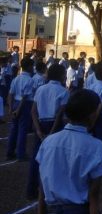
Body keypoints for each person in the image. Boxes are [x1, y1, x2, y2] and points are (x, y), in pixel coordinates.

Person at [35, 89, 102, 214]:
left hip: (53, 213)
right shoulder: (96, 146)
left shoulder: (48, 142)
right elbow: (94, 193)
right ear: (90, 115)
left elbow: (42, 185)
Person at [27, 63, 70, 200]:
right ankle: (51, 189)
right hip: (54, 125)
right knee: (55, 158)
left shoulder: (41, 89)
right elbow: (60, 114)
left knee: (36, 157)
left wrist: (39, 130)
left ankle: (31, 189)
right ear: (61, 75)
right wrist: (51, 132)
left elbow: (33, 111)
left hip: (41, 122)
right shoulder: (63, 91)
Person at [6, 57, 34, 161]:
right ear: (29, 67)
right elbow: (25, 97)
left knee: (13, 129)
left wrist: (10, 108)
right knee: (22, 130)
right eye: (32, 66)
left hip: (15, 103)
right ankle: (20, 154)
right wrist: (18, 109)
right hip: (24, 105)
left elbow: (10, 94)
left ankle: (10, 152)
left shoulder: (16, 78)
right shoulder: (29, 80)